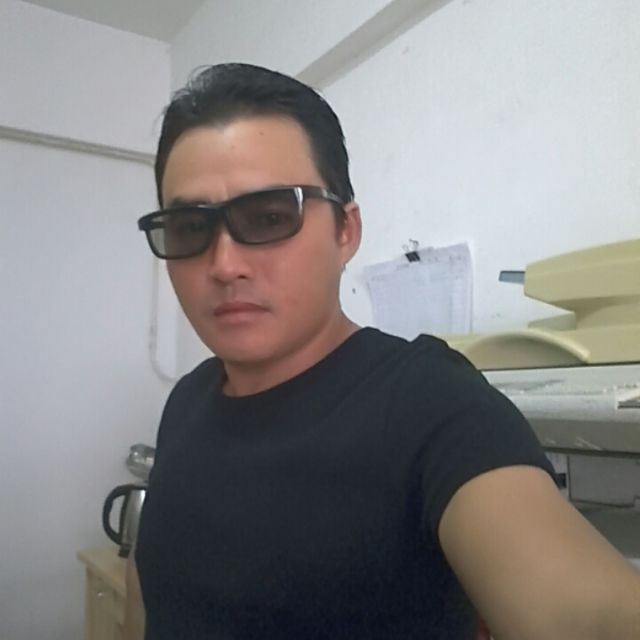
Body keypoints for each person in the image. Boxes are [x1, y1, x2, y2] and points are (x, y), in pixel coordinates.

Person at [125, 63, 640, 640]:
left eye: (269, 217)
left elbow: (586, 614)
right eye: (189, 227)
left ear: (345, 231)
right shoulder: (188, 398)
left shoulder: (433, 405)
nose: (224, 265)